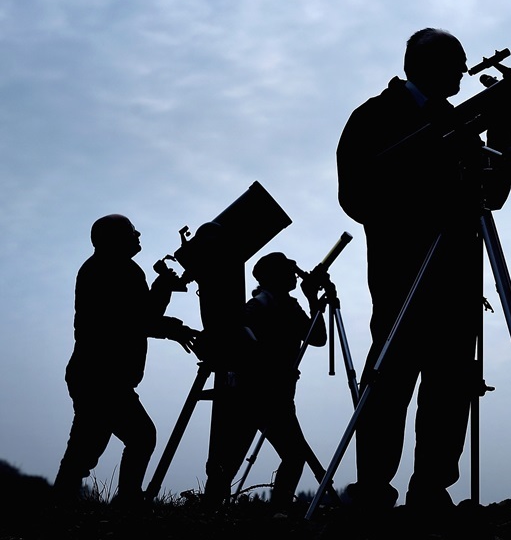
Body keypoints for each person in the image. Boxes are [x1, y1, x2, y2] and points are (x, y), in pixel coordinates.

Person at [336, 28, 488, 515]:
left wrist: (501, 144)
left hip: (458, 272)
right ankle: (373, 489)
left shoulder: (457, 120)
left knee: (451, 382)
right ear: (426, 64)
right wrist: (423, 204)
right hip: (404, 269)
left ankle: (431, 490)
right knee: (390, 379)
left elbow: (488, 198)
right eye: (457, 61)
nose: (465, 71)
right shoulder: (374, 117)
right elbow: (356, 196)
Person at [53, 214, 198, 509]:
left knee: (89, 446)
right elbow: (138, 320)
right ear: (118, 239)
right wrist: (170, 318)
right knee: (137, 437)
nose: (138, 233)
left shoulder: (111, 268)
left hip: (98, 375)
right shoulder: (115, 270)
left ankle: (66, 503)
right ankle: (126, 501)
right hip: (102, 377)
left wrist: (164, 298)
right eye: (132, 231)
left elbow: (140, 316)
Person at [201, 252, 327, 509]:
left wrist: (312, 299)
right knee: (281, 456)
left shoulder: (288, 306)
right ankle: (218, 509)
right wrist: (271, 366)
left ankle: (266, 511)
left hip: (274, 394)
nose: (294, 274)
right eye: (287, 271)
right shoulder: (259, 305)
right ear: (275, 276)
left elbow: (317, 337)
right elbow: (237, 337)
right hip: (255, 393)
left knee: (288, 456)